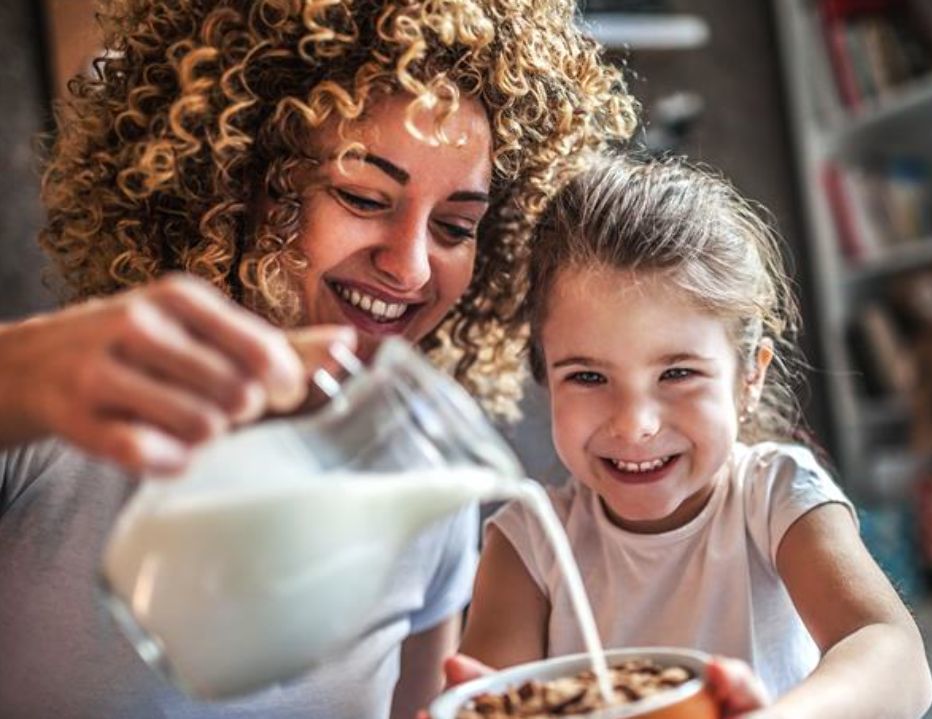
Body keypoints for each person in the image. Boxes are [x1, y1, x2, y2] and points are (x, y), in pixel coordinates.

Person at [0, 1, 636, 717]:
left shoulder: (428, 491)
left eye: (456, 226)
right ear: (237, 178)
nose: (412, 269)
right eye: (364, 197)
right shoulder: (54, 417)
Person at [455, 156, 932, 717]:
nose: (635, 424)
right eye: (587, 376)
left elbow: (892, 651)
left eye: (677, 374)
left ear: (748, 376)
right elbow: (494, 701)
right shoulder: (528, 543)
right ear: (544, 376)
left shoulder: (775, 498)